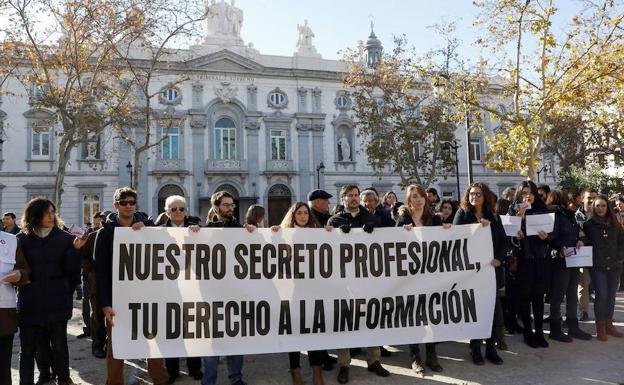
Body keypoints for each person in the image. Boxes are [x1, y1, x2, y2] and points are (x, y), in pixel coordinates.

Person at [95, 187, 169, 385]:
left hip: (147, 298)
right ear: (115, 205)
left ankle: (159, 380)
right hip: (118, 300)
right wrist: (105, 304)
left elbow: (171, 245)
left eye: (131, 202)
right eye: (123, 202)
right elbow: (100, 272)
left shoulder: (149, 227)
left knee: (153, 344)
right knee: (116, 347)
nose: (128, 206)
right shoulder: (104, 234)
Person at [17, 198, 87, 385]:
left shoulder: (65, 239)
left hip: (57, 301)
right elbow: (18, 269)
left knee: (59, 345)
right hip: (30, 302)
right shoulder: (21, 240)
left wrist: (76, 251)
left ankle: (63, 378)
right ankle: (44, 375)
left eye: (52, 212)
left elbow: (72, 272)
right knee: (34, 346)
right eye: (47, 212)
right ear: (35, 215)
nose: (51, 216)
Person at [327, 185, 386, 384]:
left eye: (355, 195)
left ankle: (374, 359)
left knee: (371, 318)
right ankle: (344, 364)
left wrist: (374, 230)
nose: (353, 199)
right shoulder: (335, 220)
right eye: (349, 196)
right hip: (344, 282)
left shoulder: (371, 218)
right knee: (344, 321)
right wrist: (337, 235)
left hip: (369, 280)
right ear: (342, 198)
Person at [271, 202, 327, 385]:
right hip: (291, 292)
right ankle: (295, 371)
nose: (303, 216)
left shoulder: (317, 234)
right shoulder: (283, 234)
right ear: (293, 216)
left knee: (314, 331)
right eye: (299, 213)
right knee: (293, 331)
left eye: (306, 213)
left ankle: (317, 371)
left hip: (312, 291)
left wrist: (332, 235)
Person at [202, 190, 252, 385]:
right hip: (212, 294)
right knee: (212, 341)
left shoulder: (241, 229)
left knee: (235, 338)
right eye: (226, 205)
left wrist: (262, 233)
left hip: (236, 293)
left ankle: (236, 378)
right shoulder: (205, 231)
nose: (231, 208)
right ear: (215, 207)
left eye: (232, 205)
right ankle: (209, 380)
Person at [453, 182, 505, 365]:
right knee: (475, 311)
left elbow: (502, 242)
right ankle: (475, 348)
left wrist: (499, 258)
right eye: (471, 194)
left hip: (490, 270)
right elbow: (455, 239)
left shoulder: (494, 217)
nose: (474, 197)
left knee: (491, 310)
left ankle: (491, 348)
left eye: (478, 194)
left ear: (485, 197)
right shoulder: (462, 214)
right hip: (471, 272)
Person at [396, 184, 446, 375]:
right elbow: (392, 241)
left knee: (431, 316)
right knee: (414, 316)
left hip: (431, 276)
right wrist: (402, 230)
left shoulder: (432, 219)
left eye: (420, 196)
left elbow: (444, 240)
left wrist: (447, 229)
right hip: (410, 277)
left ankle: (432, 355)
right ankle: (415, 356)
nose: (417, 200)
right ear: (409, 200)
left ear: (426, 199)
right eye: (413, 197)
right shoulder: (403, 218)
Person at [159, 195, 203, 383]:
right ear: (167, 212)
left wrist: (199, 232)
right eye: (174, 209)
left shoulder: (196, 228)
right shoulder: (157, 231)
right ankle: (173, 371)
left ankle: (195, 369)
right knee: (171, 331)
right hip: (168, 289)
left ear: (186, 211)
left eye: (181, 209)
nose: (178, 212)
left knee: (192, 330)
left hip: (192, 289)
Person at [544, 191, 592, 342]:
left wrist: (581, 241)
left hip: (574, 260)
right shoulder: (555, 216)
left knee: (572, 294)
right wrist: (561, 249)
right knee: (558, 296)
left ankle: (573, 327)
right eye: (571, 201)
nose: (575, 203)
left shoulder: (570, 216)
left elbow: (580, 235)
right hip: (560, 261)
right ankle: (555, 329)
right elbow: (551, 238)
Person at [509, 181, 550, 349]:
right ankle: (528, 332)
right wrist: (520, 218)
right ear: (519, 195)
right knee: (525, 298)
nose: (528, 196)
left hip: (539, 260)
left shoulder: (542, 210)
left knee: (538, 298)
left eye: (531, 192)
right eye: (524, 193)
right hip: (523, 260)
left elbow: (552, 235)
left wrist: (546, 237)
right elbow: (509, 237)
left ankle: (539, 332)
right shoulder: (514, 210)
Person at [583, 195, 624, 341]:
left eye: (603, 206)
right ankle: (600, 328)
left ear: (608, 207)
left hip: (614, 265)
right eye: (598, 206)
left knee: (611, 296)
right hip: (598, 265)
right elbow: (583, 239)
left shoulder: (615, 222)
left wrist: (620, 256)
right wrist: (581, 241)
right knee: (602, 295)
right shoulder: (588, 224)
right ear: (594, 207)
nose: (600, 209)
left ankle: (609, 324)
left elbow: (621, 241)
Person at [0, 229, 30, 385]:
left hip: (4, 313)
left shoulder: (11, 240)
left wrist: (19, 275)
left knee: (3, 366)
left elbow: (24, 270)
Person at [79, 211, 107, 359]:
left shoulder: (119, 235)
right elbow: (84, 258)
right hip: (96, 283)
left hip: (116, 285)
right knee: (97, 315)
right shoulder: (92, 236)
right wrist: (92, 270)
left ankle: (111, 345)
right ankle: (97, 345)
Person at [576, 188, 598, 321]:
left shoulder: (602, 214)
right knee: (583, 285)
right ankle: (583, 311)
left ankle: (604, 314)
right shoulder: (575, 216)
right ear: (582, 199)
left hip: (599, 255)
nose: (592, 200)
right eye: (589, 197)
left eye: (594, 197)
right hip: (583, 255)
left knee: (601, 286)